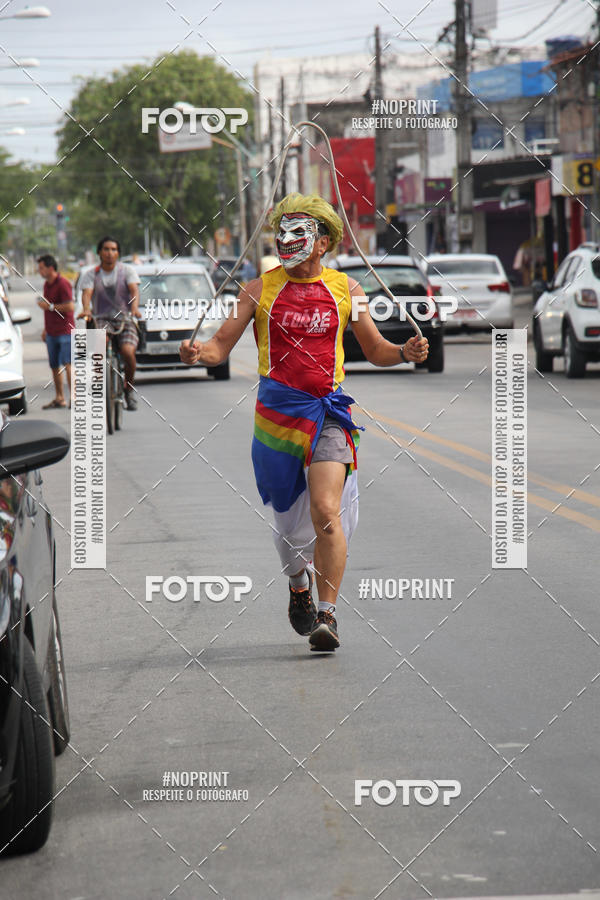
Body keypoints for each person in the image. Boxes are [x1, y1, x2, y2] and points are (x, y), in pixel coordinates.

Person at [180, 193, 429, 651]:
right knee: (285, 519)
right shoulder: (256, 290)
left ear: (324, 243)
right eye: (283, 232)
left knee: (325, 512)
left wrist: (403, 353)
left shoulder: (348, 290)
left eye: (300, 232)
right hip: (275, 419)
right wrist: (199, 354)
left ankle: (328, 615)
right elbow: (219, 346)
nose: (287, 240)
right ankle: (298, 585)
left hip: (328, 414)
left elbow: (374, 350)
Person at [78, 236, 142, 410]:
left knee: (128, 352)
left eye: (113, 249)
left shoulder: (127, 271)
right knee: (100, 344)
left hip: (125, 319)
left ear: (118, 253)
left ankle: (129, 389)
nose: (109, 253)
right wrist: (86, 308)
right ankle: (99, 385)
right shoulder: (91, 274)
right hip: (102, 318)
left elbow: (134, 290)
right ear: (99, 252)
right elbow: (87, 294)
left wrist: (134, 308)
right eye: (106, 249)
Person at [37, 254, 75, 409]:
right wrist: (46, 329)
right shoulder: (47, 285)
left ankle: (75, 397)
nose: (39, 271)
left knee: (68, 364)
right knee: (54, 366)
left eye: (41, 268)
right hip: (52, 331)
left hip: (65, 330)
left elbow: (70, 307)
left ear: (50, 268)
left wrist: (51, 307)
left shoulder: (63, 283)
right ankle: (60, 397)